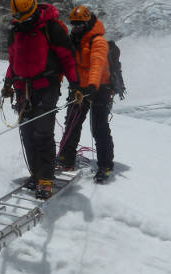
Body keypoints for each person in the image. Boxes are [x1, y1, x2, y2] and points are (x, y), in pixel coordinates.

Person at [1, 0, 83, 199]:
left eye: (24, 17)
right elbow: (14, 61)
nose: (21, 20)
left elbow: (67, 58)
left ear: (33, 10)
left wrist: (75, 86)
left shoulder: (51, 28)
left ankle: (46, 179)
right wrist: (8, 84)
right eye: (17, 17)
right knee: (27, 132)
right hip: (23, 88)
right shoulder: (16, 30)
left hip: (47, 86)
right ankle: (36, 174)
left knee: (42, 132)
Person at [59, 5, 115, 184]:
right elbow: (66, 62)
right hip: (80, 88)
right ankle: (66, 159)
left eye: (79, 24)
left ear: (87, 23)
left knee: (98, 127)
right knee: (72, 122)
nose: (76, 27)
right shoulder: (73, 39)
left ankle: (105, 165)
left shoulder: (98, 41)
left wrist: (92, 85)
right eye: (73, 24)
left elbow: (97, 64)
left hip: (100, 88)